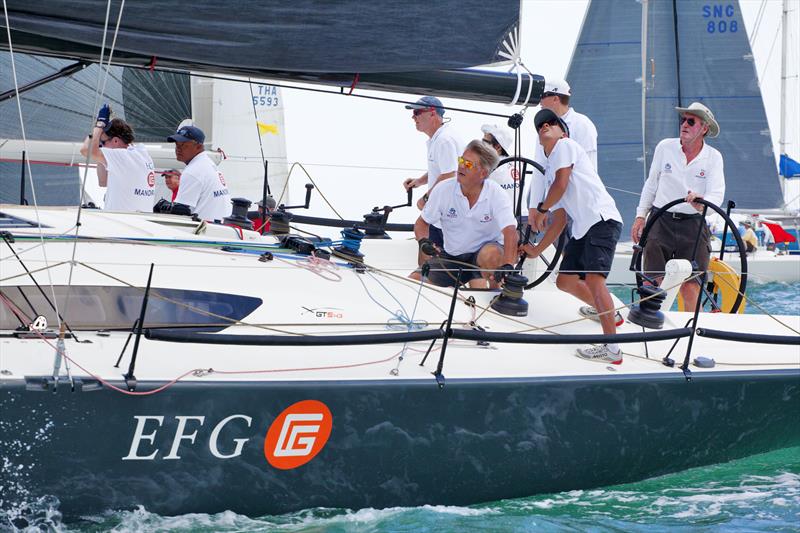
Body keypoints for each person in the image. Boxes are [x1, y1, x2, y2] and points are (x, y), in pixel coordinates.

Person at [521, 109, 624, 364]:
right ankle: (610, 313)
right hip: (583, 227)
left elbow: (562, 185)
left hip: (601, 219)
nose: (545, 126)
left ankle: (612, 350)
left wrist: (541, 208)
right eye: (540, 125)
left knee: (593, 279)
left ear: (562, 130)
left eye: (551, 122)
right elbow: (561, 219)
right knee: (564, 281)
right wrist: (536, 249)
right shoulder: (549, 172)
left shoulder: (565, 146)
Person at [631, 102, 725, 311]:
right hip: (660, 221)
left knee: (691, 288)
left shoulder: (713, 158)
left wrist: (701, 204)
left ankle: (695, 336)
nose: (684, 124)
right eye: (683, 120)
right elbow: (651, 183)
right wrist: (640, 217)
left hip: (693, 225)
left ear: (704, 128)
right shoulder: (665, 147)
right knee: (651, 282)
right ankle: (648, 327)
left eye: (691, 121)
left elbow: (716, 195)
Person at [410, 140, 518, 288]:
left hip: (483, 258)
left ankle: (496, 293)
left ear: (483, 173)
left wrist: (508, 266)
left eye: (468, 164)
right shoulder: (443, 189)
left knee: (491, 254)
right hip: (453, 257)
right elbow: (421, 223)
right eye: (461, 160)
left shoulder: (496, 193)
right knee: (413, 281)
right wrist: (423, 241)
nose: (461, 166)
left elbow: (510, 232)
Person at [402, 96, 465, 262]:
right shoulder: (439, 138)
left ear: (432, 114)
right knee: (432, 262)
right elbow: (443, 169)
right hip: (444, 214)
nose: (413, 117)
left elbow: (450, 175)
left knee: (427, 262)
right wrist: (420, 181)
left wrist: (426, 198)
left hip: (448, 215)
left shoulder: (444, 140)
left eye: (417, 112)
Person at [80, 105, 155, 212]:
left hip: (123, 223)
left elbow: (85, 150)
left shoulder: (121, 156)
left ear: (115, 141)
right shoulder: (141, 152)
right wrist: (99, 144)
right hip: (137, 222)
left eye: (103, 142)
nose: (101, 146)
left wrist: (99, 125)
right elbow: (103, 181)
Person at [165, 125, 231, 221]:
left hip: (205, 231)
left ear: (198, 146)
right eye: (176, 144)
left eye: (183, 145)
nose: (178, 149)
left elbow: (180, 213)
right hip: (220, 228)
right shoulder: (208, 164)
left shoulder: (192, 171)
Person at [533, 78, 598, 170]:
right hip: (551, 183)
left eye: (542, 96)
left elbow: (587, 165)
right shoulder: (543, 126)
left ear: (555, 99)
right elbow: (539, 164)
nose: (540, 101)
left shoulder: (582, 124)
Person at [481, 123, 525, 212]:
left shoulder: (488, 165)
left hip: (499, 220)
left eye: (485, 142)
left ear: (498, 147)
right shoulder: (518, 161)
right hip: (523, 215)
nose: (481, 145)